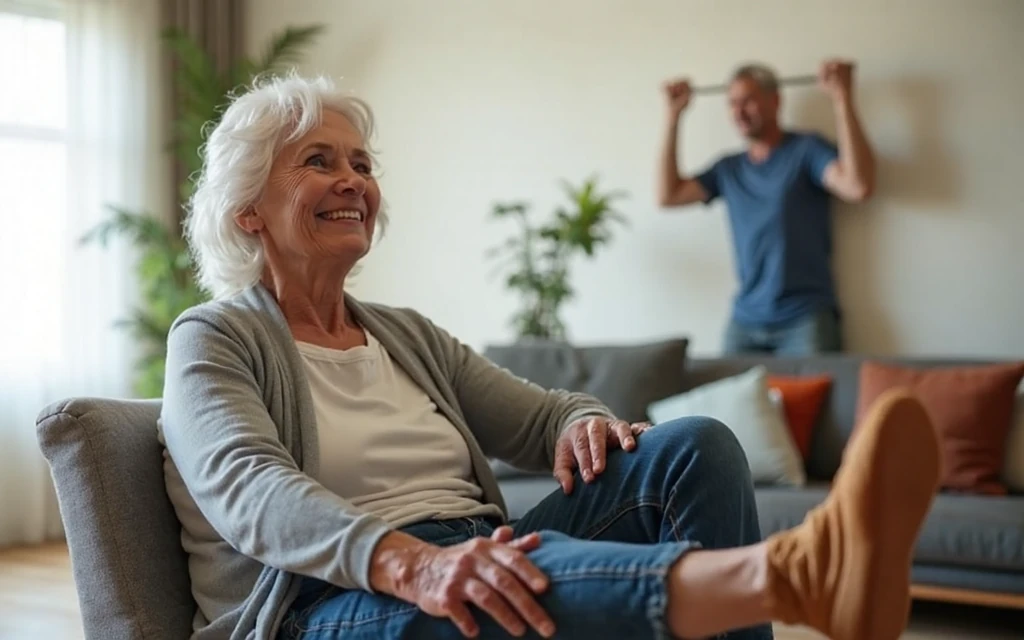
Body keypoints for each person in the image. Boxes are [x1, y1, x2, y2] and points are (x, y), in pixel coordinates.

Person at [158, 73, 937, 640]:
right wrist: (413, 566)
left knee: (690, 446)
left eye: (362, 164)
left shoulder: (403, 333)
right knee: (521, 573)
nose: (354, 180)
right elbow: (253, 494)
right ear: (247, 209)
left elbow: (545, 415)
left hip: (469, 548)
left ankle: (807, 573)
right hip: (334, 600)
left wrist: (585, 423)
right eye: (319, 161)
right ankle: (797, 576)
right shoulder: (213, 337)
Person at [657, 60, 876, 356]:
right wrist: (673, 117)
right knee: (725, 401)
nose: (738, 112)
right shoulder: (728, 169)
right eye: (732, 103)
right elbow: (668, 196)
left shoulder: (806, 151)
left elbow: (858, 186)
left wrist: (842, 99)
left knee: (816, 403)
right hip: (745, 320)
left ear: (775, 101)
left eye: (748, 101)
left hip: (805, 318)